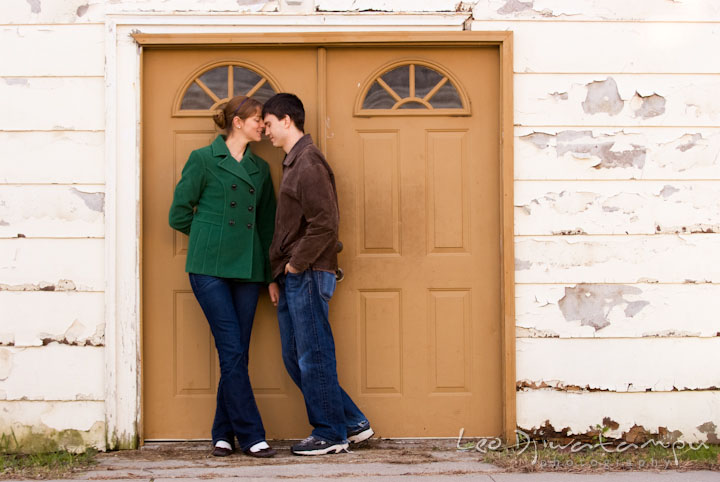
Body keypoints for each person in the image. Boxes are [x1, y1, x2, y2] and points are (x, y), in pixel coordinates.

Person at [262, 93, 374, 456]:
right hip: (295, 275)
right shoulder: (294, 162)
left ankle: (330, 432)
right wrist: (279, 273)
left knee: (313, 355)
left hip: (308, 273)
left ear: (286, 120)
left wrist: (295, 266)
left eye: (268, 125)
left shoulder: (308, 162)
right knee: (297, 356)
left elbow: (325, 224)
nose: (265, 133)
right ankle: (352, 422)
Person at [168, 95, 278, 458]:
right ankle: (251, 435)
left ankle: (221, 432)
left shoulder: (260, 170)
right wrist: (209, 238)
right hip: (209, 269)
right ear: (238, 122)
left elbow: (265, 225)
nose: (263, 124)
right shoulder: (203, 159)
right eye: (258, 118)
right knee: (231, 349)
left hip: (248, 270)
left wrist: (271, 275)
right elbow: (178, 214)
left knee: (237, 353)